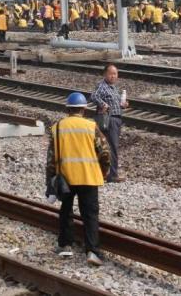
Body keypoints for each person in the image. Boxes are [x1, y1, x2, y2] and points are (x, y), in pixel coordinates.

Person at [46, 92, 111, 267]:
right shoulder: (91, 126)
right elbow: (105, 152)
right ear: (83, 109)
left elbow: (51, 159)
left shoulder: (58, 127)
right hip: (88, 176)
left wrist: (49, 184)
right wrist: (104, 172)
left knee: (66, 211)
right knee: (90, 215)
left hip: (65, 177)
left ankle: (65, 245)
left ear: (68, 109)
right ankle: (92, 251)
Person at [89, 64, 125, 183]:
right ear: (105, 74)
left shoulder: (113, 87)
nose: (113, 76)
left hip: (116, 119)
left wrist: (122, 105)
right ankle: (112, 175)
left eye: (115, 74)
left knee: (109, 147)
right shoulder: (102, 85)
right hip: (109, 120)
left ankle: (104, 172)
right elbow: (93, 96)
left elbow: (115, 103)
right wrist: (103, 104)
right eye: (111, 73)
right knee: (111, 147)